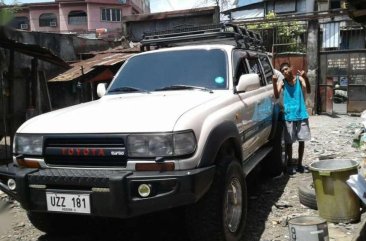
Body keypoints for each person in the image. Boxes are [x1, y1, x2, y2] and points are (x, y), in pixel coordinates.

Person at [272, 63, 311, 174]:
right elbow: (276, 95)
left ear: (291, 68)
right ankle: (289, 164)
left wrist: (306, 78)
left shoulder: (299, 79)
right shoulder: (282, 82)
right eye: (282, 70)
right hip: (289, 115)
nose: (284, 71)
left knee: (301, 140)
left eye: (286, 69)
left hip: (301, 114)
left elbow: (308, 90)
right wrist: (274, 83)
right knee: (289, 142)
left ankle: (299, 164)